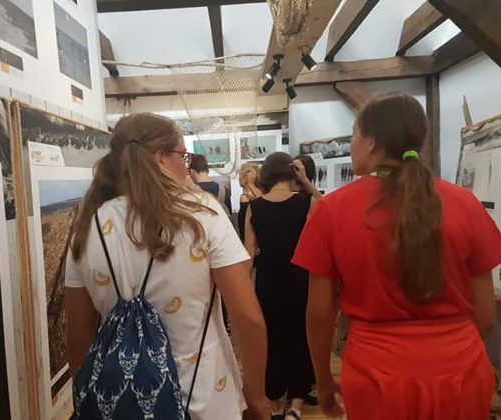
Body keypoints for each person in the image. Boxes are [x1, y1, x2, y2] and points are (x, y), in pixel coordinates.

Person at [293, 93, 501, 419]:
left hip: (376, 376)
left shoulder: (331, 211)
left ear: (370, 144)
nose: (352, 143)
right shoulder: (464, 203)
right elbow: (486, 317)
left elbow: (320, 314)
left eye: (353, 134)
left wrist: (322, 382)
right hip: (461, 373)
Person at [64, 112, 269, 420]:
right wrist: (255, 394)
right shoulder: (202, 214)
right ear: (160, 157)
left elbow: (78, 339)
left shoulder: (88, 226)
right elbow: (247, 318)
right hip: (202, 400)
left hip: (123, 404)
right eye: (182, 155)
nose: (185, 165)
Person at [244, 152, 316, 420]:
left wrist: (243, 293)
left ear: (266, 175)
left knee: (270, 342)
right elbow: (331, 210)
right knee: (300, 340)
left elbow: (248, 255)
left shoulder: (254, 208)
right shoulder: (306, 203)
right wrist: (306, 182)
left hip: (267, 283)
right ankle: (295, 406)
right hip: (299, 281)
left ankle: (274, 405)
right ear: (291, 173)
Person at [238, 162, 263, 240]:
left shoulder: (245, 198)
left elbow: (243, 225)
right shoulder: (262, 193)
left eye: (240, 175)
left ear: (246, 177)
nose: (238, 178)